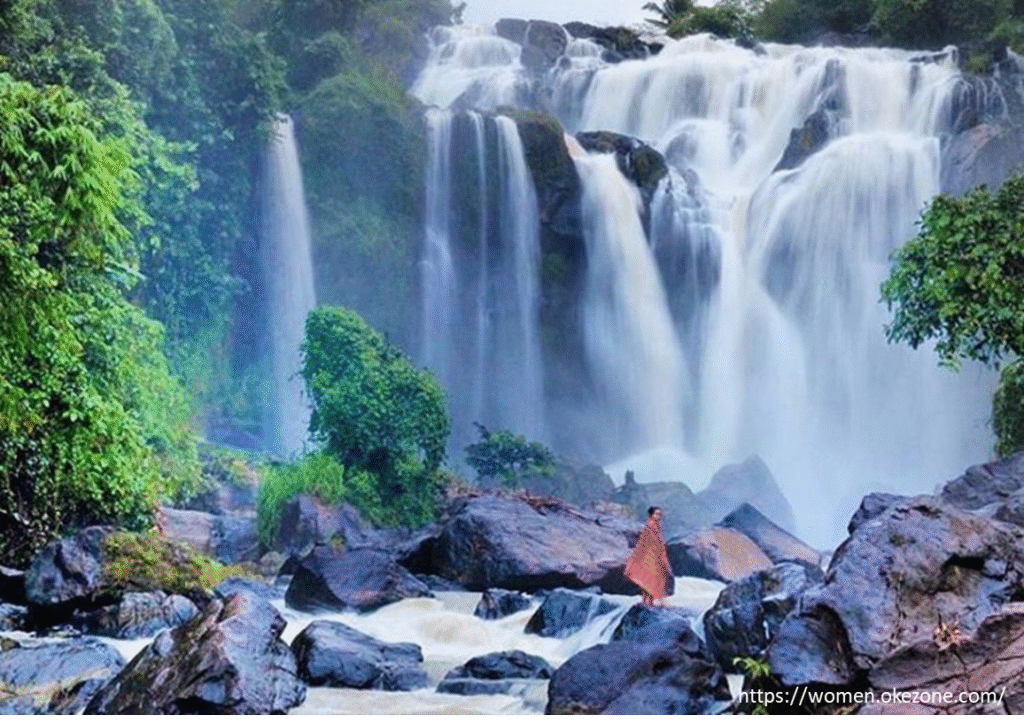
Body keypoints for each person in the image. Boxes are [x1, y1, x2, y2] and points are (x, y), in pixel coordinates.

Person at [625, 506, 671, 606]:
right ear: (651, 515)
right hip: (649, 556)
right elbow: (646, 542)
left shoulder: (656, 526)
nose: (659, 516)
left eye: (660, 514)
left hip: (654, 556)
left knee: (652, 579)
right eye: (656, 514)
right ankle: (647, 601)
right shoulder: (650, 526)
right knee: (649, 578)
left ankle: (649, 601)